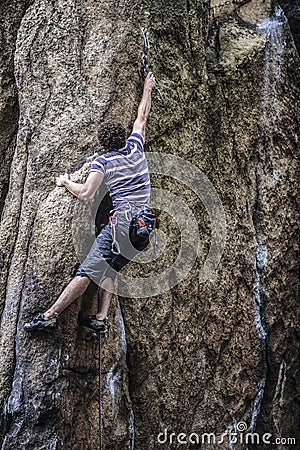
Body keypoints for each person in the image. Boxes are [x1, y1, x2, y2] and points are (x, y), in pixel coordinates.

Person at [24, 72, 156, 333]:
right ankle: (100, 317)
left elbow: (86, 193)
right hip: (143, 227)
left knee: (87, 271)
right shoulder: (135, 146)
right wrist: (147, 88)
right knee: (110, 266)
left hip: (122, 225)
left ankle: (50, 315)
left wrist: (65, 182)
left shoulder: (103, 162)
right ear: (123, 137)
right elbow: (141, 117)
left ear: (103, 145)